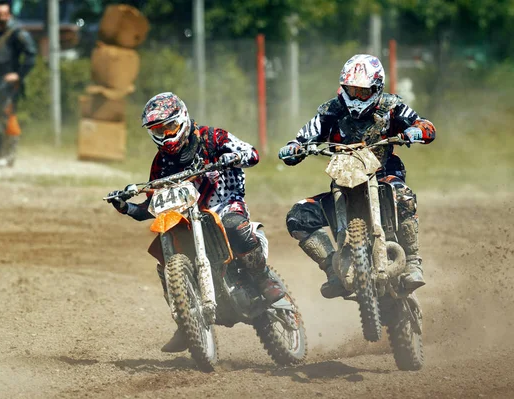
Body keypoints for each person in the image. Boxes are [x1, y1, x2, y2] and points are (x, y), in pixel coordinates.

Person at [108, 92, 285, 352]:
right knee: (163, 253)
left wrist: (233, 158)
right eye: (159, 129)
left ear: (182, 119)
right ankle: (185, 321)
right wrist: (126, 207)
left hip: (224, 204)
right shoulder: (162, 163)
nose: (166, 135)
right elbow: (154, 205)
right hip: (189, 217)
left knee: (234, 225)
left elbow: (252, 154)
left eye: (170, 126)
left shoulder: (212, 137)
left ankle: (263, 279)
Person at [278, 54, 436, 299]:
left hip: (384, 175)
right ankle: (333, 269)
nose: (355, 96)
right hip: (344, 184)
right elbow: (303, 137)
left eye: (362, 92)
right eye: (351, 90)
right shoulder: (330, 111)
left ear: (376, 88)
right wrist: (295, 148)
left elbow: (425, 125)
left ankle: (413, 262)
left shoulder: (391, 107)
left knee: (403, 195)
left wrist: (415, 131)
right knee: (298, 217)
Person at [0, 0, 36, 167]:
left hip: (9, 84)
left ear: (10, 14)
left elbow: (30, 56)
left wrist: (18, 75)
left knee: (8, 118)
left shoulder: (18, 34)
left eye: (5, 14)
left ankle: (8, 156)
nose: (2, 17)